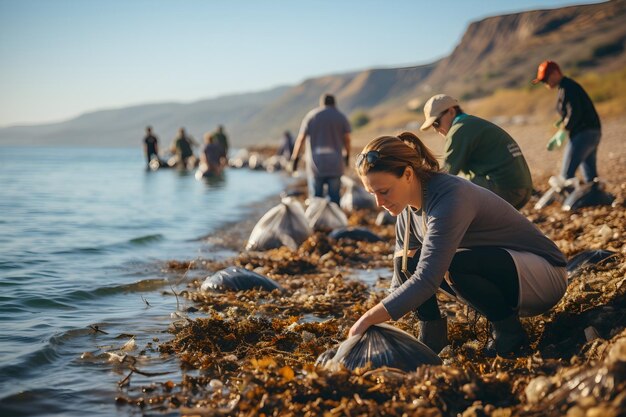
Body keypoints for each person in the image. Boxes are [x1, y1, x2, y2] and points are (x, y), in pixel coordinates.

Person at [348, 134, 567, 357]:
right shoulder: (406, 208)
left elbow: (427, 278)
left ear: (407, 174)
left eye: (383, 191)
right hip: (508, 276)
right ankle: (432, 341)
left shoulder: (449, 196)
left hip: (545, 277)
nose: (378, 203)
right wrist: (384, 327)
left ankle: (509, 333)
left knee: (450, 265)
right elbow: (402, 274)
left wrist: (366, 319)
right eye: (372, 193)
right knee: (406, 259)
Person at [420, 94, 533, 210]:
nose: (436, 129)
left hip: (506, 189)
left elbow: (447, 173)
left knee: (452, 187)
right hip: (524, 188)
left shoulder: (459, 129)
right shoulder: (471, 123)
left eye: (436, 123)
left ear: (451, 112)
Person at [532, 60, 602, 185]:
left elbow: (575, 112)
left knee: (565, 176)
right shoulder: (566, 87)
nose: (545, 83)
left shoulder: (568, 87)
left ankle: (569, 201)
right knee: (590, 177)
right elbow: (576, 110)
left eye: (545, 80)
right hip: (593, 132)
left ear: (554, 73)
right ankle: (596, 197)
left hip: (583, 134)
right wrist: (563, 120)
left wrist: (564, 128)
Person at [289, 93, 351, 205]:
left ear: (322, 103)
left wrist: (295, 159)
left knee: (316, 199)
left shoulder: (311, 116)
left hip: (315, 165)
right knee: (334, 198)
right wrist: (347, 156)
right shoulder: (341, 117)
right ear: (334, 103)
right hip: (335, 164)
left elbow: (301, 139)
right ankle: (335, 220)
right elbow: (347, 139)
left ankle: (316, 221)